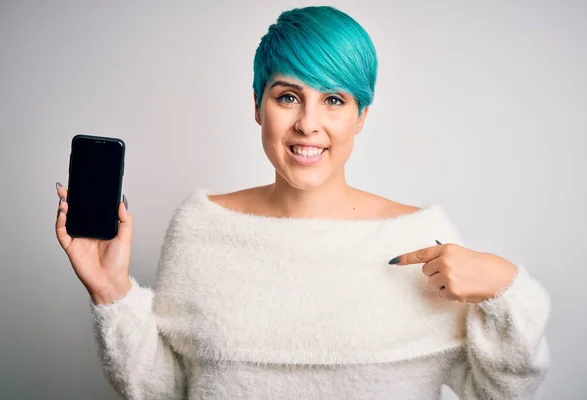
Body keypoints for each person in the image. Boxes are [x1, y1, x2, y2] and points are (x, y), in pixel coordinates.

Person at [54, 5, 550, 400]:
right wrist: (112, 292)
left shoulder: (419, 239)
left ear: (361, 116)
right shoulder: (202, 225)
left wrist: (507, 290)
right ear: (257, 106)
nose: (308, 124)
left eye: (333, 100)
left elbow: (498, 392)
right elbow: (167, 391)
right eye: (287, 96)